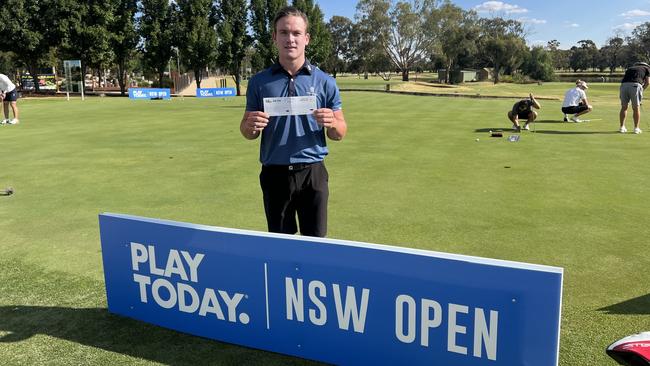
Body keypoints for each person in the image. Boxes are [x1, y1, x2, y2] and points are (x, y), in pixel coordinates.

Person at [239, 6, 347, 238]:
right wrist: (249, 127)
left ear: (306, 38)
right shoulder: (259, 82)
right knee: (280, 246)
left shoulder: (325, 82)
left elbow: (339, 133)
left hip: (313, 174)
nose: (290, 39)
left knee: (316, 244)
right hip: (274, 175)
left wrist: (332, 123)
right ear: (275, 37)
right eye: (284, 32)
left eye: (297, 33)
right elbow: (248, 132)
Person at [619, 61, 650, 134]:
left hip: (623, 86)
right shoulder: (647, 69)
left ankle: (622, 127)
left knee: (624, 107)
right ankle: (636, 128)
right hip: (635, 85)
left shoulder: (630, 68)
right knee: (636, 107)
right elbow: (648, 82)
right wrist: (642, 89)